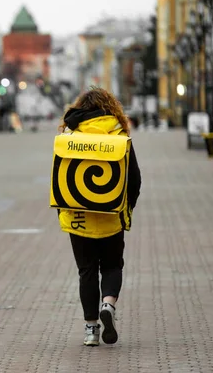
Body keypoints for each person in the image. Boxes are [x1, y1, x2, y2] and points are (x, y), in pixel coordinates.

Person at [56, 87, 141, 347]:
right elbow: (134, 179)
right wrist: (127, 207)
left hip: (78, 216)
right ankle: (109, 304)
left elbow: (59, 179)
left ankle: (91, 330)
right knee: (113, 266)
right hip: (111, 215)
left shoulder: (70, 136)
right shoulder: (119, 135)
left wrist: (64, 209)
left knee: (87, 271)